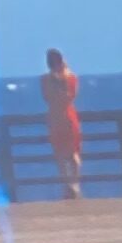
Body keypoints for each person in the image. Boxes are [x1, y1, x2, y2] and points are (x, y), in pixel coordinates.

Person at [42, 47, 83, 201]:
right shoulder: (70, 78)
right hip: (65, 116)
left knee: (64, 154)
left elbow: (49, 97)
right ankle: (73, 185)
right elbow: (69, 97)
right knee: (71, 153)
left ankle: (69, 186)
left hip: (56, 117)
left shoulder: (47, 80)